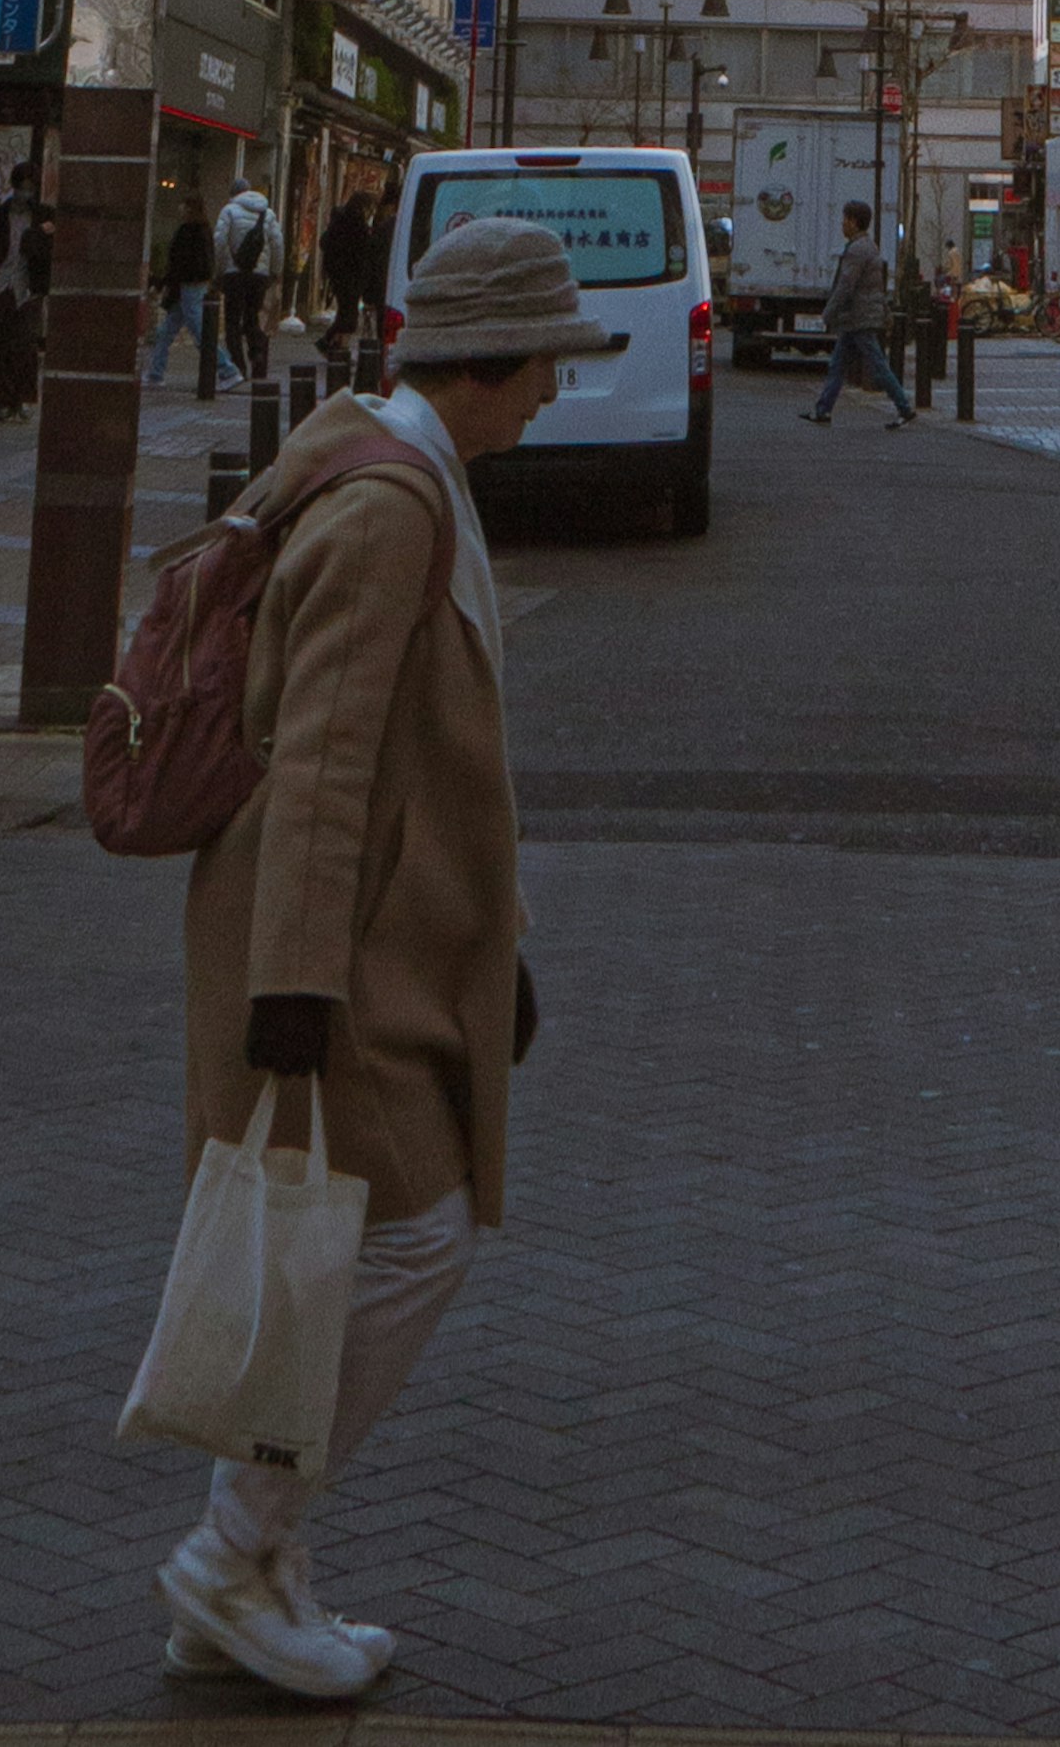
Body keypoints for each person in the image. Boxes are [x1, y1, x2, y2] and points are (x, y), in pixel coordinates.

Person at [156, 209, 624, 1703]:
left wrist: (507, 950)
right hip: (336, 953)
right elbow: (327, 762)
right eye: (546, 361)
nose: (556, 390)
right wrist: (294, 986)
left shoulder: (390, 460)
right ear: (488, 361)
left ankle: (256, 1572)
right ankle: (236, 1551)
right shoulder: (392, 507)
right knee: (406, 1241)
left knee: (342, 1250)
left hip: (381, 943)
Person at [809, 203, 910, 428]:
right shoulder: (868, 247)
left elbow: (846, 285)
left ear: (854, 222)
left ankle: (904, 406)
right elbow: (875, 287)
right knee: (838, 364)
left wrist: (828, 313)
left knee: (877, 364)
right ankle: (823, 409)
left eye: (845, 219)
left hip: (859, 317)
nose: (842, 224)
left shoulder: (857, 250)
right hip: (857, 317)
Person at [316, 165, 389, 388]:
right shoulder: (355, 224)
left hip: (339, 274)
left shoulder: (340, 219)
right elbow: (362, 251)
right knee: (348, 315)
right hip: (349, 274)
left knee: (346, 312)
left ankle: (334, 346)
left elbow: (325, 242)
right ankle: (335, 347)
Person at [0, 181, 47, 426]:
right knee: (0, 347)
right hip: (1, 288)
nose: (25, 192)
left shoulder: (44, 219)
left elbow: (50, 252)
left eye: (28, 187)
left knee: (25, 347)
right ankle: (4, 402)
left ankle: (22, 400)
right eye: (21, 186)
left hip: (28, 291)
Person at [214, 170, 279, 383]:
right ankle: (258, 354)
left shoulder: (229, 211)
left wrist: (219, 270)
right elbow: (278, 244)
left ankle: (238, 366)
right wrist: (275, 271)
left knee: (232, 322)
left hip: (235, 274)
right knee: (252, 317)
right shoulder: (267, 213)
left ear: (233, 194)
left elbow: (219, 242)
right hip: (259, 275)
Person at [146, 193, 214, 393]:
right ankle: (155, 373)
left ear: (189, 208)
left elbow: (179, 263)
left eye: (183, 205)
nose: (179, 208)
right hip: (190, 284)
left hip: (187, 286)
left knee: (200, 332)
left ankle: (226, 369)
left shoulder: (189, 231)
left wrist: (161, 283)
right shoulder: (203, 229)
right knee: (165, 332)